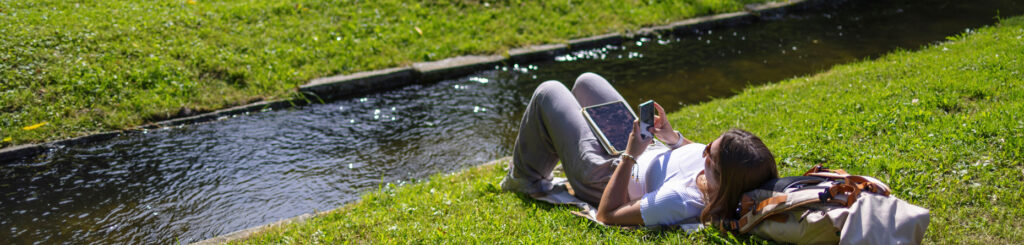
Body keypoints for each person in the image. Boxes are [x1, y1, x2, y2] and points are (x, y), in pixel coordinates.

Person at [500, 72, 779, 227]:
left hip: (605, 174)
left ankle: (524, 179)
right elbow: (692, 152)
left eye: (710, 154)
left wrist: (631, 154)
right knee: (587, 82)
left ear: (723, 178)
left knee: (549, 92)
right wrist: (672, 137)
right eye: (710, 144)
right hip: (639, 147)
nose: (703, 150)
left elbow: (607, 215)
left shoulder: (679, 199)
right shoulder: (719, 173)